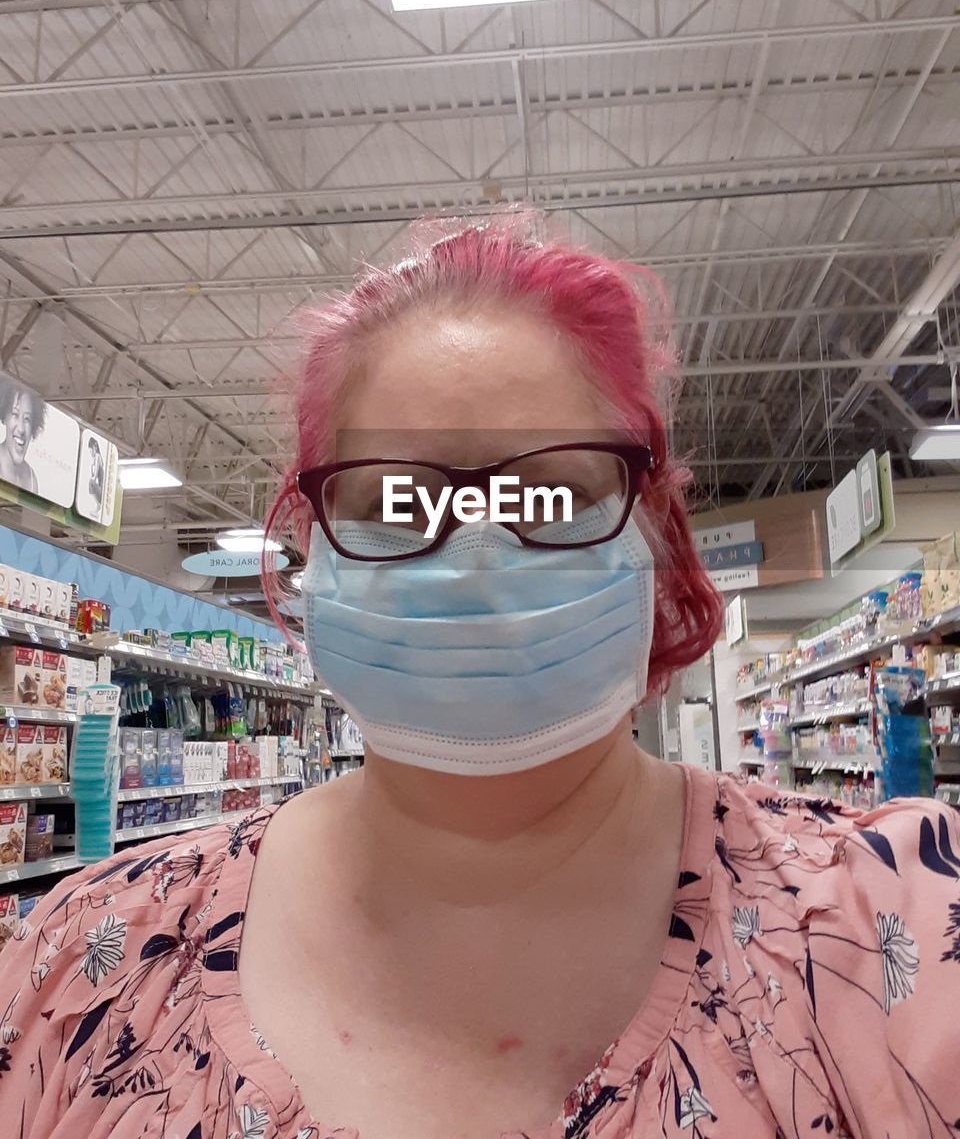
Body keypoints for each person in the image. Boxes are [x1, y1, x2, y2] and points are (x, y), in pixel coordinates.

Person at [0, 224, 958, 1139]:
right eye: (399, 500)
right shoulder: (87, 964)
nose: (476, 554)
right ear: (310, 547)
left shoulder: (893, 929)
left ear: (656, 530)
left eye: (552, 494)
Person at [0, 375, 45, 493]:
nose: (21, 429)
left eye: (27, 419)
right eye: (15, 414)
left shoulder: (31, 480)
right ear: (4, 417)